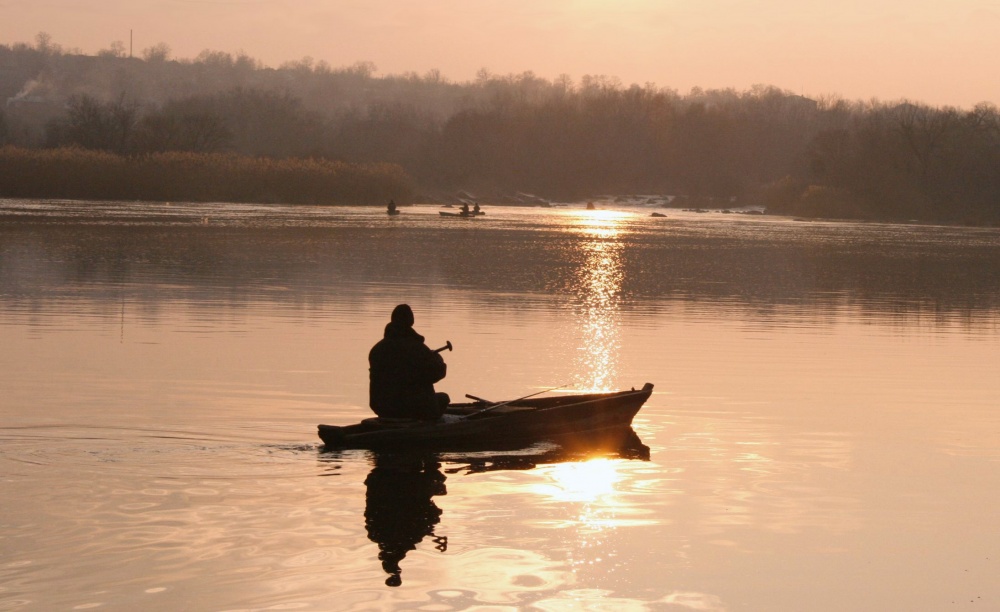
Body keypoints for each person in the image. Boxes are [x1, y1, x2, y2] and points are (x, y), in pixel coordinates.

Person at [368, 304, 449, 420]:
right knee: (444, 398)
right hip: (413, 407)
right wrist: (439, 361)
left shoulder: (376, 350)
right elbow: (437, 373)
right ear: (411, 321)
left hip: (382, 407)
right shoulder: (418, 348)